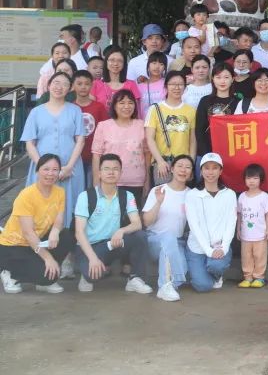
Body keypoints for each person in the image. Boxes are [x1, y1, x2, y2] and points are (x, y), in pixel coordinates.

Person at [70, 153, 153, 294]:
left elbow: (137, 224)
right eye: (106, 169)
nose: (111, 172)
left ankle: (135, 279)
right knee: (92, 275)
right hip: (89, 247)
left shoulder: (127, 196)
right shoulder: (86, 196)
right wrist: (93, 258)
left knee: (140, 236)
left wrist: (121, 231)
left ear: (121, 173)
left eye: (115, 169)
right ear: (99, 173)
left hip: (112, 244)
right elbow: (79, 232)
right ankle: (86, 274)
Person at [0, 155, 76, 295]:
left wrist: (55, 232)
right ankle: (8, 271)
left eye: (55, 170)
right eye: (46, 169)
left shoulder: (60, 192)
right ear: (37, 171)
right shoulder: (26, 195)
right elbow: (28, 233)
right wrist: (48, 258)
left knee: (66, 235)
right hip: (13, 246)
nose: (50, 173)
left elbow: (59, 220)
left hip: (35, 243)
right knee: (46, 277)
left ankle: (48, 273)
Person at [22, 72, 86, 226]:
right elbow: (29, 143)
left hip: (69, 166)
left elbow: (80, 140)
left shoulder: (75, 110)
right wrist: (42, 167)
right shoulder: (36, 112)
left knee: (68, 205)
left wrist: (69, 167)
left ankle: (64, 238)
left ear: (70, 88)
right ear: (49, 85)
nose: (59, 87)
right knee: (39, 205)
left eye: (64, 84)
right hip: (41, 165)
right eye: (56, 82)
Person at [141, 154, 193, 302]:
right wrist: (158, 202)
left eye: (188, 167)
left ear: (191, 173)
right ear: (172, 169)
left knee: (180, 274)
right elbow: (146, 221)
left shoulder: (191, 195)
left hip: (178, 242)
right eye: (180, 166)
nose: (183, 170)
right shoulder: (158, 190)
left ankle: (169, 284)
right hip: (154, 239)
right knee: (168, 237)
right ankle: (164, 286)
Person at [185, 152, 237, 292]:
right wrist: (208, 251)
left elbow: (231, 223)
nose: (210, 172)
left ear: (221, 171)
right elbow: (194, 226)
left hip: (219, 246)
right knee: (202, 286)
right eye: (206, 168)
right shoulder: (192, 195)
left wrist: (224, 248)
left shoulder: (229, 194)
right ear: (201, 171)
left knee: (216, 266)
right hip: (197, 247)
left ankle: (216, 273)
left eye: (215, 168)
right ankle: (205, 272)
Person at [91, 91, 148, 207]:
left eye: (130, 103)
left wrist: (147, 181)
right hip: (108, 181)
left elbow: (147, 154)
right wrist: (97, 182)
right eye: (122, 103)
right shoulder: (103, 126)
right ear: (114, 106)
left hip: (136, 181)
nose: (126, 106)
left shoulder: (142, 125)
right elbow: (96, 155)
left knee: (132, 216)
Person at [235, 163, 268, 288]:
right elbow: (239, 215)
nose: (251, 181)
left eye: (255, 178)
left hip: (260, 235)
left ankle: (259, 277)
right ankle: (248, 277)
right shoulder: (242, 196)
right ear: (245, 179)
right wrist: (238, 230)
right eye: (248, 178)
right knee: (246, 257)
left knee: (260, 256)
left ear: (261, 179)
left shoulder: (264, 196)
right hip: (246, 235)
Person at [194, 62, 242, 158]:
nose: (222, 81)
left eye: (226, 77)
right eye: (218, 77)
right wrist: (207, 155)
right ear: (213, 79)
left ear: (233, 79)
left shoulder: (239, 102)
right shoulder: (205, 101)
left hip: (232, 152)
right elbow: (199, 130)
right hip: (208, 152)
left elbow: (241, 129)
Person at [72, 70, 107, 180]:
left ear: (91, 86)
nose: (83, 87)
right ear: (73, 86)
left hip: (95, 156)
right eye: (79, 84)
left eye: (87, 84)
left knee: (93, 186)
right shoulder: (69, 108)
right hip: (74, 157)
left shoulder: (99, 107)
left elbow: (105, 132)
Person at [91, 45, 142, 113]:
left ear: (124, 64)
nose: (115, 63)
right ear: (106, 62)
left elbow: (136, 111)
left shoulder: (131, 84)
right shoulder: (95, 84)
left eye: (119, 61)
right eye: (112, 60)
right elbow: (92, 111)